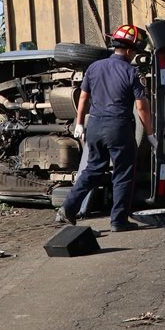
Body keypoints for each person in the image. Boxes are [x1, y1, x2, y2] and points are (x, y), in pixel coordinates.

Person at [57, 24, 155, 232]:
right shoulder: (132, 71)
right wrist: (150, 134)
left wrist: (80, 123)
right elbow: (141, 106)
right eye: (135, 51)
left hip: (94, 126)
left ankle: (68, 208)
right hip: (117, 127)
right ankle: (118, 221)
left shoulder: (94, 67)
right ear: (129, 50)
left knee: (93, 169)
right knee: (123, 172)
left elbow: (83, 97)